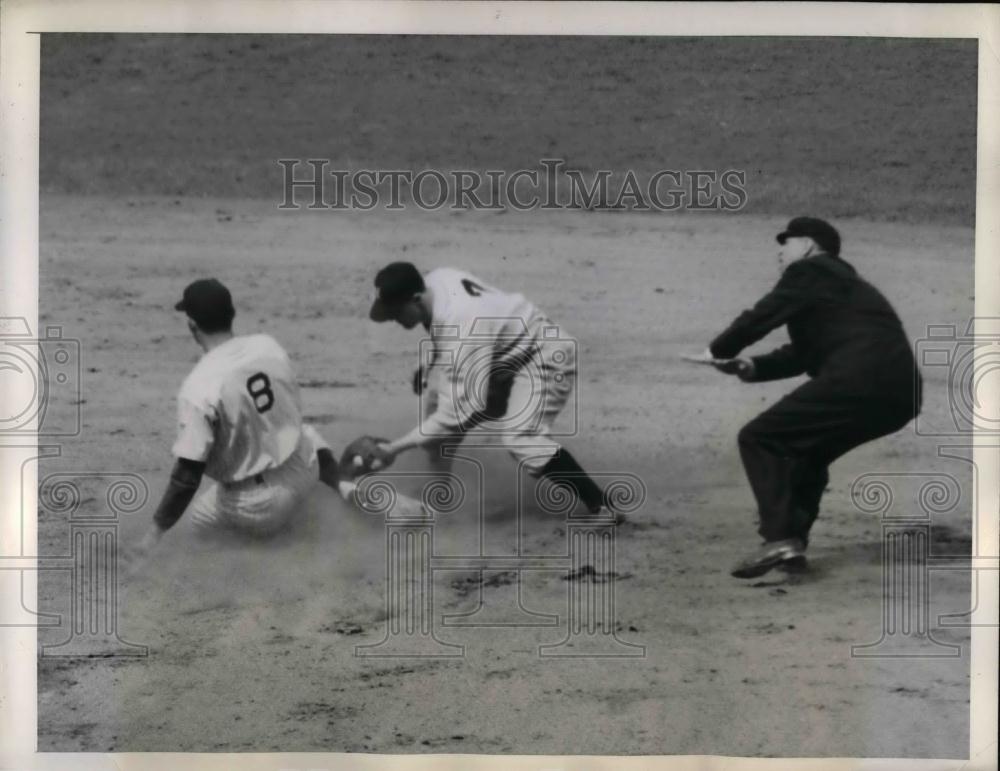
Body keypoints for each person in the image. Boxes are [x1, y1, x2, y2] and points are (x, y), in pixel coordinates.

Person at [695, 217, 921, 578]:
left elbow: (763, 314)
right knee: (807, 451)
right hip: (900, 395)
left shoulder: (813, 272)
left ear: (809, 246)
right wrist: (749, 366)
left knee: (760, 437)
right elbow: (807, 354)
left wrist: (718, 349)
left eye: (786, 243)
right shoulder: (841, 285)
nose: (780, 252)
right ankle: (790, 546)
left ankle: (780, 538)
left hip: (859, 380)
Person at [367, 262, 619, 521]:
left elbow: (453, 415)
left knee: (521, 438)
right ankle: (437, 500)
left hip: (544, 357)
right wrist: (430, 356)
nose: (395, 320)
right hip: (504, 358)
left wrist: (394, 448)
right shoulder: (437, 280)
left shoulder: (463, 325)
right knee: (435, 409)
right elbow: (458, 324)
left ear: (416, 299)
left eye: (396, 313)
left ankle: (602, 505)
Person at [124, 279, 341, 569]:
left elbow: (186, 476)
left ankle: (277, 552)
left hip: (260, 506)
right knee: (303, 432)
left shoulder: (199, 386)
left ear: (191, 325)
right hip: (304, 469)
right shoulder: (268, 345)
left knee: (198, 526)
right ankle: (342, 493)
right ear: (232, 313)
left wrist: (152, 537)